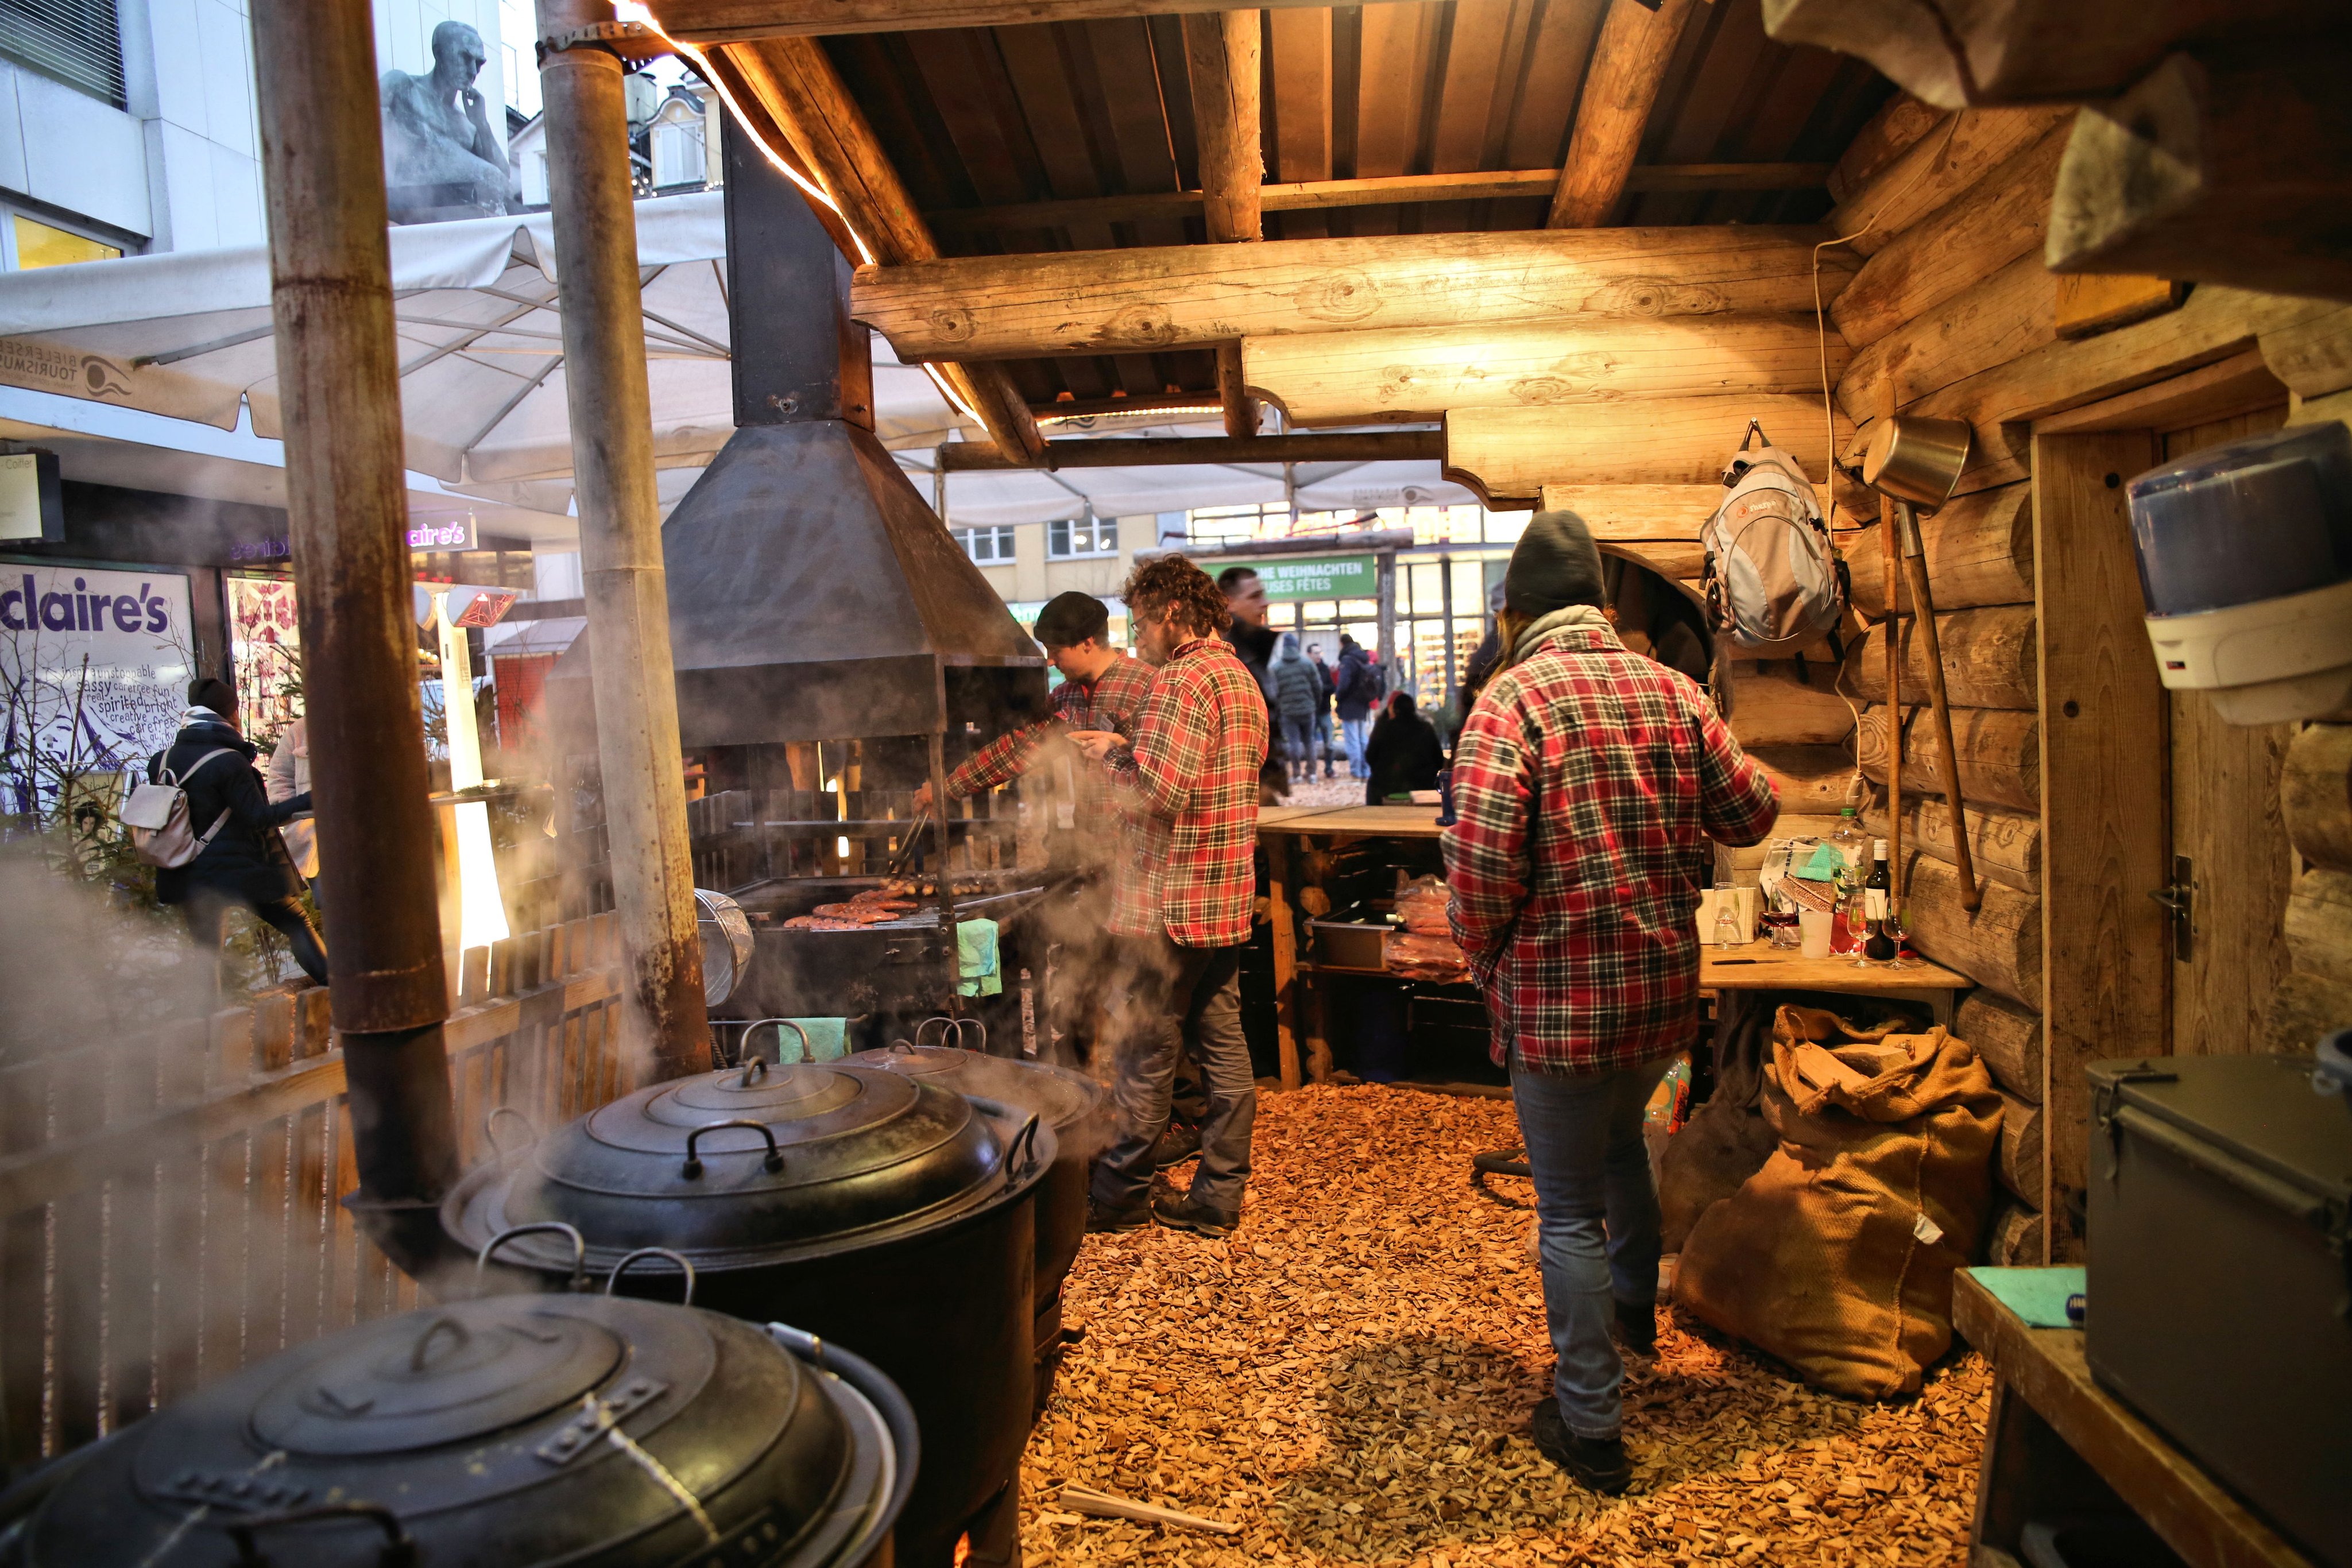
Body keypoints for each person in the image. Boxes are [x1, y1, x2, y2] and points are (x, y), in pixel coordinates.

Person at [1442, 511, 1778, 1496]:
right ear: (1600, 600)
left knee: (1567, 1214)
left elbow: (1476, 873)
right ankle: (1634, 1310)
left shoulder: (1509, 707)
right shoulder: (1673, 692)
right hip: (1660, 1000)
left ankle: (1591, 1424)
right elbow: (1752, 812)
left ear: (1515, 610)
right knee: (1627, 1139)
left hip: (1560, 1007)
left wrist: (1490, 956)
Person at [910, 593, 1208, 1154]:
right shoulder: (1066, 697)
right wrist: (946, 786)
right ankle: (1081, 1108)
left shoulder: (1148, 687)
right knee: (1080, 985)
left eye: (1057, 649)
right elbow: (1017, 750)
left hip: (1144, 863)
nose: (1050, 660)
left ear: (1090, 642)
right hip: (1089, 863)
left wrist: (1121, 745)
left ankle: (1185, 1117)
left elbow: (1170, 767)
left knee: (1146, 996)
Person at [1070, 555, 1267, 1238]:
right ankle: (1218, 1195)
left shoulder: (1182, 680)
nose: (1137, 634)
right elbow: (1200, 779)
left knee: (1143, 1057)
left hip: (1170, 909)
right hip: (1223, 903)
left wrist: (1112, 757)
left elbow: (1160, 792)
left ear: (1173, 615)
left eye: (1140, 620)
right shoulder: (1238, 678)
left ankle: (1119, 1197)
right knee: (1224, 1048)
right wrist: (1130, 746)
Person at [153, 677, 327, 988]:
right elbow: (258, 818)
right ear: (230, 715)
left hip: (186, 872)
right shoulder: (230, 761)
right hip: (239, 872)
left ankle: (213, 1030)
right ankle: (341, 993)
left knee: (208, 955)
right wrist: (312, 800)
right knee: (297, 923)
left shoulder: (163, 760)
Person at [1216, 566, 1287, 804]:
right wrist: (1258, 785)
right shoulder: (1230, 655)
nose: (1265, 603)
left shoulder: (1254, 648)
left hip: (1259, 786)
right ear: (1229, 602)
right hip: (1246, 792)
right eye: (1255, 596)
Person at [265, 714, 319, 899]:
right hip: (315, 843)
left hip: (373, 841)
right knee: (330, 904)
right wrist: (295, 814)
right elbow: (279, 776)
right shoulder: (302, 729)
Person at [1361, 690, 1445, 806]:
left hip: (1386, 788)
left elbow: (1370, 756)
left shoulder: (1384, 729)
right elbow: (1439, 760)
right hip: (1423, 787)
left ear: (1394, 710)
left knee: (1373, 783)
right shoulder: (1426, 729)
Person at [1272, 633, 1320, 784]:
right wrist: (1314, 704)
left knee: (1293, 743)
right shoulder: (1307, 664)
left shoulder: (1277, 668)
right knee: (1310, 741)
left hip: (1288, 711)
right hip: (1308, 709)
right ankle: (1312, 773)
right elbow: (1317, 686)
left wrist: (1280, 708)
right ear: (1297, 646)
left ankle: (1297, 774)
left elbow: (1274, 692)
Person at [1333, 634, 1378, 779]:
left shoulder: (1348, 660)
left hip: (1349, 705)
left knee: (1352, 740)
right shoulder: (1362, 658)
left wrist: (1338, 697)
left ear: (1342, 644)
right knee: (1362, 738)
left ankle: (1356, 771)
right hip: (1362, 703)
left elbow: (1344, 683)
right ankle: (1366, 770)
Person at [1307, 641, 1338, 779]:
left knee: (1329, 744)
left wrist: (1319, 689)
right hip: (1310, 711)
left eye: (1320, 653)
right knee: (1310, 743)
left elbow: (1332, 687)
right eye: (1316, 653)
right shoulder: (1306, 669)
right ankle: (1311, 770)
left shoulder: (1325, 668)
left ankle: (1329, 769)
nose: (1319, 655)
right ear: (1309, 655)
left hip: (1324, 710)